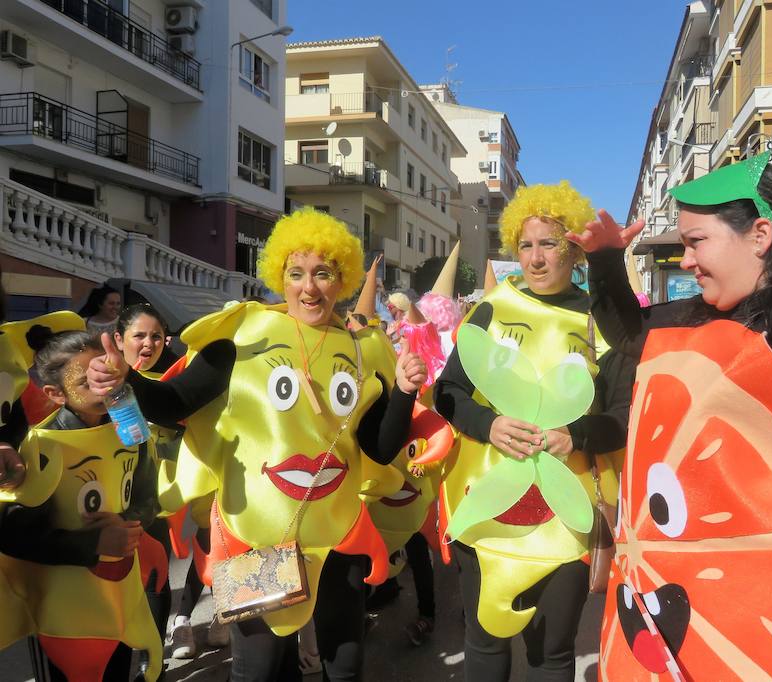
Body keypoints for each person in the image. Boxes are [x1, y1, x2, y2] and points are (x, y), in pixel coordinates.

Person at [570, 152, 772, 681]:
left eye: (696, 241)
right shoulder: (708, 317)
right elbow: (632, 335)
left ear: (760, 235)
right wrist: (607, 261)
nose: (684, 260)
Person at [86, 208, 427, 681]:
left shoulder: (359, 349)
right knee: (259, 672)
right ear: (280, 278)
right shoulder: (243, 338)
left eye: (323, 274)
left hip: (339, 536)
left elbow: (379, 447)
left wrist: (406, 394)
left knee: (345, 667)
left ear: (341, 279)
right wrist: (126, 383)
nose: (310, 287)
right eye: (297, 273)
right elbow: (173, 402)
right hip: (253, 537)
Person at [433, 181, 635, 681]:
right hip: (485, 504)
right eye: (526, 244)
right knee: (483, 642)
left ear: (574, 248)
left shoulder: (600, 319)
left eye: (550, 243)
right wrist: (488, 424)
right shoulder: (491, 308)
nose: (536, 258)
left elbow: (626, 415)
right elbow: (448, 392)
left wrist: (577, 435)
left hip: (564, 516)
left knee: (552, 653)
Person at [0, 330, 163, 681]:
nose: (102, 385)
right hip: (63, 612)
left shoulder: (129, 431)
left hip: (119, 597)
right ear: (55, 394)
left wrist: (130, 523)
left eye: (105, 373)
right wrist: (93, 544)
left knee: (118, 669)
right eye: (87, 381)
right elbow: (14, 534)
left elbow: (148, 494)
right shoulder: (39, 448)